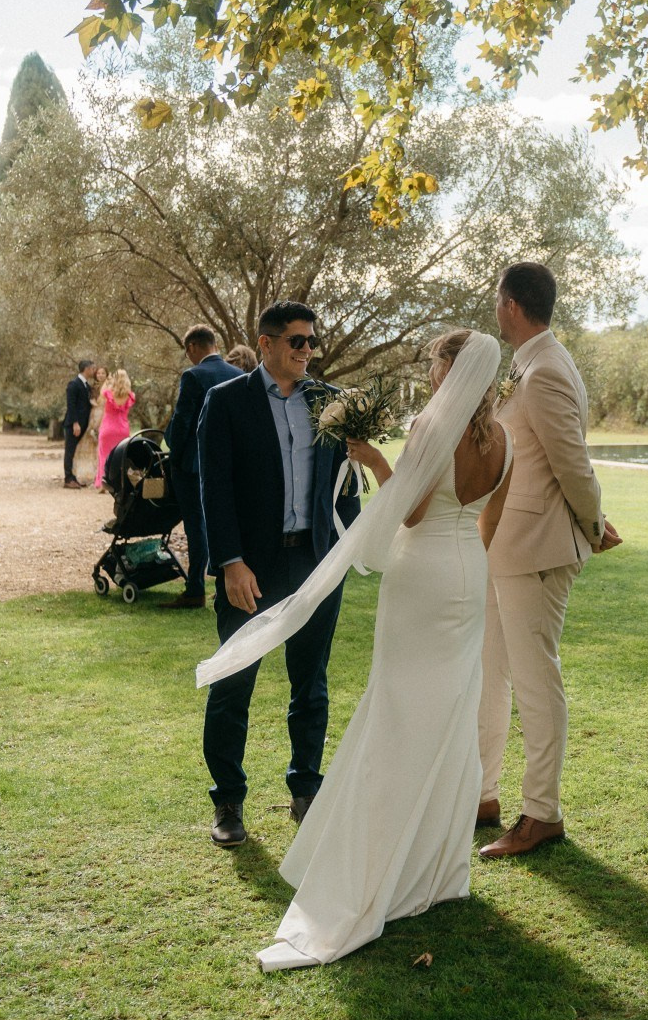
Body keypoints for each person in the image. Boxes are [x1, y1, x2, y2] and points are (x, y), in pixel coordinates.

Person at [251, 329, 512, 971]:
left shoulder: (431, 427)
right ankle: (437, 868)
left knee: (397, 711)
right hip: (468, 575)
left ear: (449, 371)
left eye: (436, 363)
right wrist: (465, 559)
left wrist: (370, 457)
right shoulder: (503, 438)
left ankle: (377, 865)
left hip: (421, 576)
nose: (432, 374)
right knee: (449, 714)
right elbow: (490, 521)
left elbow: (411, 513)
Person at [197, 302, 360, 849]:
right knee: (233, 681)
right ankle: (227, 800)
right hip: (251, 568)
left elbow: (345, 483)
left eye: (311, 340)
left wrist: (344, 547)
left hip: (316, 563)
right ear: (265, 344)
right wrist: (230, 561)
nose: (307, 350)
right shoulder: (226, 402)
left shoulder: (330, 401)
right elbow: (214, 487)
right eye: (296, 341)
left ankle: (306, 789)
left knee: (310, 682)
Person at [478, 262, 620, 860]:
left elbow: (572, 463)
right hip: (505, 544)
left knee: (536, 681)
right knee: (490, 671)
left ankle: (542, 813)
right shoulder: (527, 364)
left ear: (511, 304)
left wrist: (593, 523)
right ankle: (482, 794)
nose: (495, 308)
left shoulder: (546, 372)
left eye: (497, 300)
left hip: (537, 549)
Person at [165, 328, 242, 608]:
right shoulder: (238, 375)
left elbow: (182, 421)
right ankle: (223, 585)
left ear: (193, 346)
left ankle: (195, 588)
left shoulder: (193, 376)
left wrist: (174, 454)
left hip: (193, 465)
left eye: (187, 350)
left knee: (196, 526)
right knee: (225, 521)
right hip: (230, 463)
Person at [94, 369, 136, 490]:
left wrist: (107, 382)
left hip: (108, 428)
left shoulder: (108, 393)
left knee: (104, 455)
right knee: (120, 456)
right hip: (122, 429)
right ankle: (118, 483)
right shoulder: (130, 395)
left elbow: (101, 395)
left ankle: (103, 483)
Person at [61, 358, 97, 489]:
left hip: (83, 425)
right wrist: (75, 423)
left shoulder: (86, 385)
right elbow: (71, 405)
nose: (94, 371)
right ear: (86, 369)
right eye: (92, 368)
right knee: (70, 451)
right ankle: (68, 479)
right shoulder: (74, 384)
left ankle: (74, 477)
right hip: (74, 425)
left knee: (76, 452)